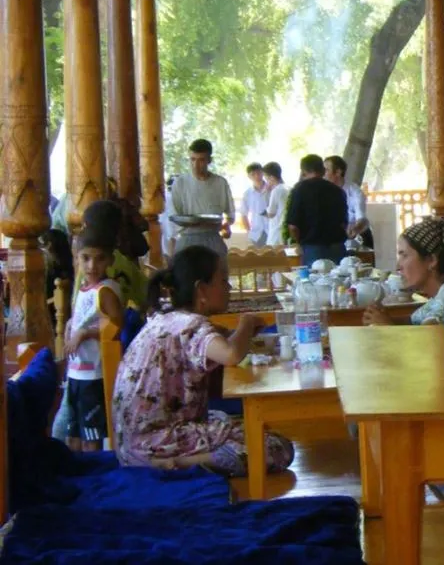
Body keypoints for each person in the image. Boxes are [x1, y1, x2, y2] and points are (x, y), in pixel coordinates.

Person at [113, 245, 295, 476]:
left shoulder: (166, 318)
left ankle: (188, 459)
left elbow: (218, 347)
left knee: (246, 428)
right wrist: (246, 323)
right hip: (154, 445)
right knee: (276, 448)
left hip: (130, 445)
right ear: (201, 290)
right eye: (222, 280)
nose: (228, 287)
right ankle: (184, 463)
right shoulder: (190, 325)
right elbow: (230, 354)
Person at [363, 218, 444, 326]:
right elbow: (413, 323)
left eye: (404, 255)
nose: (398, 266)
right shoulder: (437, 298)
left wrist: (387, 326)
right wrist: (382, 317)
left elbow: (427, 338)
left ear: (431, 260)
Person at [64, 227, 123, 452]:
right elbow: (84, 318)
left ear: (110, 260)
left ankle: (93, 476)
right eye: (85, 258)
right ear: (76, 257)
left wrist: (85, 333)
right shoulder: (84, 288)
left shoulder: (105, 291)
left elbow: (116, 327)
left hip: (94, 374)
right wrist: (72, 324)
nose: (92, 266)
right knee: (74, 435)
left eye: (99, 259)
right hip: (76, 370)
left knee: (91, 437)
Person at [171, 139, 234, 258]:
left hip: (212, 238)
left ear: (209, 160)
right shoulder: (180, 183)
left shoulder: (220, 183)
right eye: (192, 159)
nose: (195, 165)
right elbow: (175, 216)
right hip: (187, 238)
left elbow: (230, 215)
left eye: (201, 160)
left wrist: (225, 226)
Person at [285, 154, 348, 265]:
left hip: (312, 248)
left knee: (314, 281)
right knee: (339, 281)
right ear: (323, 170)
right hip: (337, 247)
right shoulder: (337, 191)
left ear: (303, 171)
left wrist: (298, 242)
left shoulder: (299, 190)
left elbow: (293, 226)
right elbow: (344, 223)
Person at [324, 155, 372, 248]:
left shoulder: (355, 192)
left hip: (357, 235)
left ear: (338, 172)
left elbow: (361, 219)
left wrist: (355, 228)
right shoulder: (322, 191)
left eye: (326, 170)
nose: (323, 174)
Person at [238, 163, 269, 247]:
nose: (256, 176)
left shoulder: (272, 189)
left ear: (263, 173)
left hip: (272, 231)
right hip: (256, 233)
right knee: (259, 258)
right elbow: (243, 214)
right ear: (249, 176)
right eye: (253, 174)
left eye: (258, 173)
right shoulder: (247, 194)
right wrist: (249, 232)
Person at [262, 162, 289, 247]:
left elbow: (271, 213)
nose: (266, 181)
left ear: (272, 177)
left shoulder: (276, 190)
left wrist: (265, 194)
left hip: (277, 230)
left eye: (266, 178)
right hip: (286, 229)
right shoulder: (289, 188)